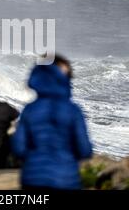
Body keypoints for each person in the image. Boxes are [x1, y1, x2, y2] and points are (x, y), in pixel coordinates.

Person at [11, 54, 93, 190]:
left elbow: (18, 148)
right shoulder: (73, 111)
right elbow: (84, 150)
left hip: (33, 179)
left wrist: (34, 160)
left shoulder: (30, 110)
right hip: (66, 180)